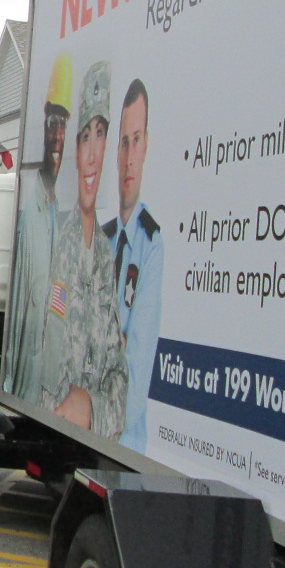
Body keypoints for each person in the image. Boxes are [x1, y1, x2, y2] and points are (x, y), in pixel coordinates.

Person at [45, 60, 128, 438]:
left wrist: (93, 409)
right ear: (77, 152)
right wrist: (77, 404)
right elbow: (51, 369)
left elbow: (119, 376)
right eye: (85, 137)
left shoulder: (107, 253)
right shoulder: (60, 243)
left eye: (101, 135)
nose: (92, 154)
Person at [6, 54, 70, 404]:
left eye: (63, 125)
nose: (57, 135)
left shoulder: (59, 219)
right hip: (25, 392)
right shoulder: (28, 217)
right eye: (51, 123)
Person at [102, 79, 162, 450]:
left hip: (126, 442)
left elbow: (136, 375)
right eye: (123, 141)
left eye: (136, 140)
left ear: (146, 147)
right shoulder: (103, 241)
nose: (128, 156)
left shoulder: (152, 245)